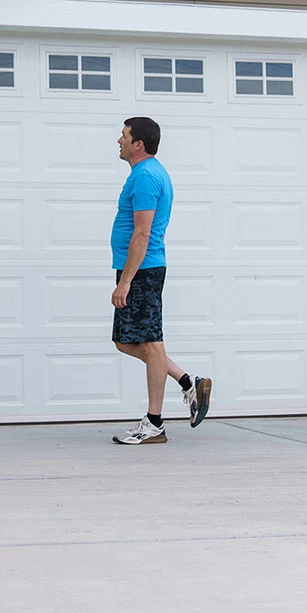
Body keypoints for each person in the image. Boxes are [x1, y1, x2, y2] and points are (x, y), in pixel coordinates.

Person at [109, 115, 211, 445]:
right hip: (139, 269)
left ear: (139, 143)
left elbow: (142, 232)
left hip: (143, 270)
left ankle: (154, 422)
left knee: (151, 342)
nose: (119, 141)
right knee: (126, 341)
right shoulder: (145, 174)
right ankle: (186, 382)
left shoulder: (147, 177)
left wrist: (125, 281)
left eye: (124, 136)